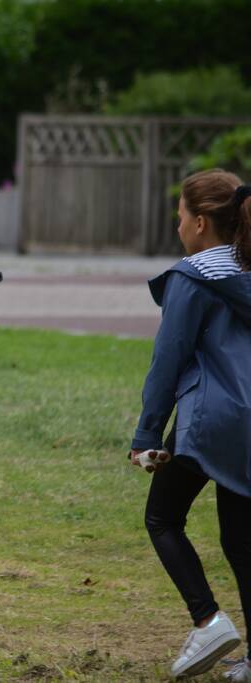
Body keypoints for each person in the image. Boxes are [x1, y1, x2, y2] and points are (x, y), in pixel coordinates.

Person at [130, 169, 251, 680]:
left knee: (163, 517)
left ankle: (208, 620)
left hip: (212, 419)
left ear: (200, 222)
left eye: (180, 215)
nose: (177, 225)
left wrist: (146, 435)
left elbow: (170, 358)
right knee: (242, 541)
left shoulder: (194, 274)